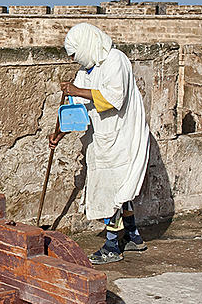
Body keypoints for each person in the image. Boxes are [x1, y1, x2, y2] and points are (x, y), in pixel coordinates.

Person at [49, 22, 151, 264]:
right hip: (102, 140)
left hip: (121, 138)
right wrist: (58, 135)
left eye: (76, 54)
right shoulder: (86, 71)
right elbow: (76, 110)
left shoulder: (115, 61)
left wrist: (76, 89)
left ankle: (112, 246)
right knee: (118, 190)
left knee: (111, 191)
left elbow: (113, 99)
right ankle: (133, 235)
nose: (76, 60)